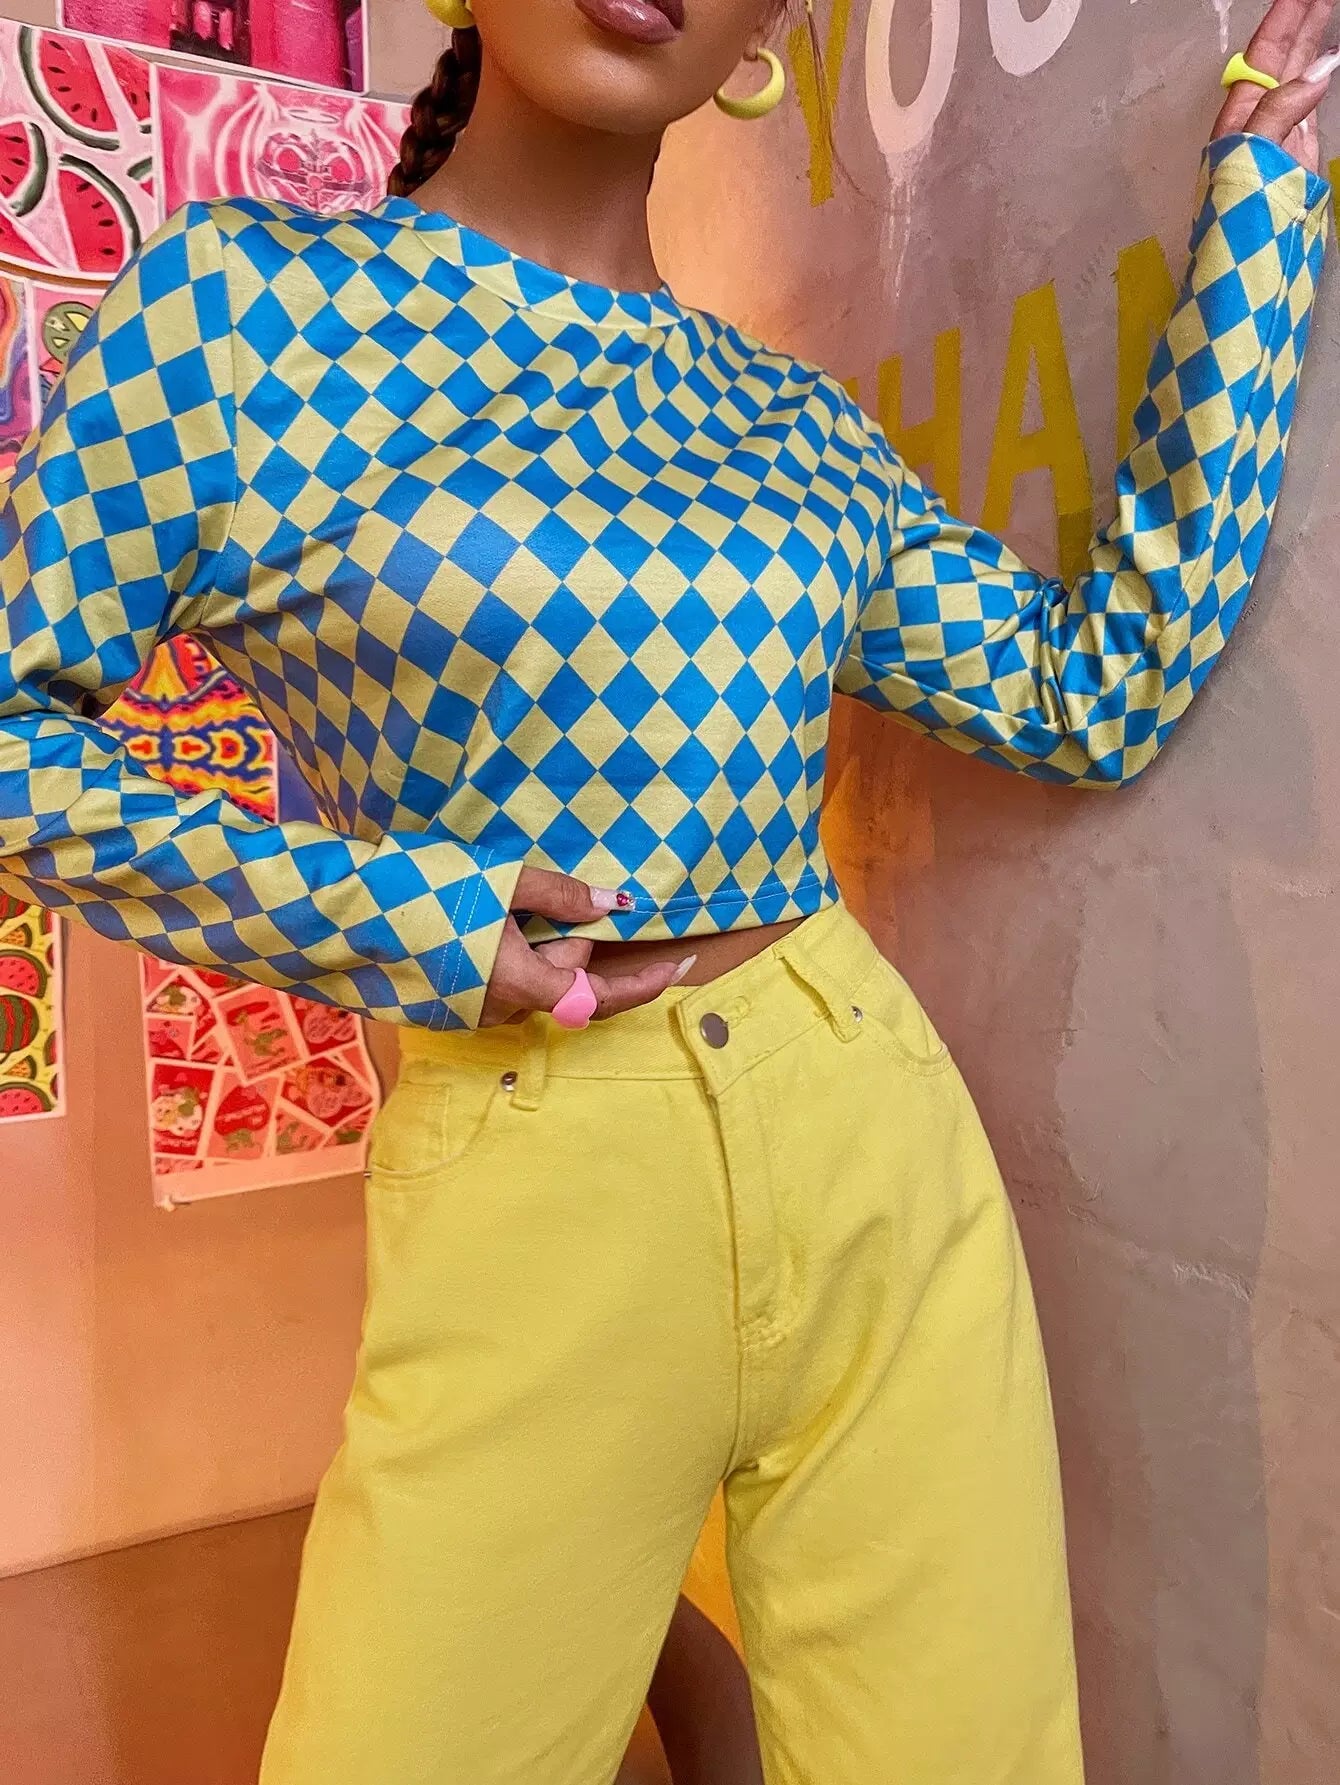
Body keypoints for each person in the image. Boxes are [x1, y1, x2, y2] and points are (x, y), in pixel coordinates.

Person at [0, 0, 1332, 1778]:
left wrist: (1260, 215)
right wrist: (399, 920)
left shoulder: (789, 422)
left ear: (766, 42)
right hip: (537, 1174)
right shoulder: (234, 318)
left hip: (871, 1138)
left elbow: (1087, 692)